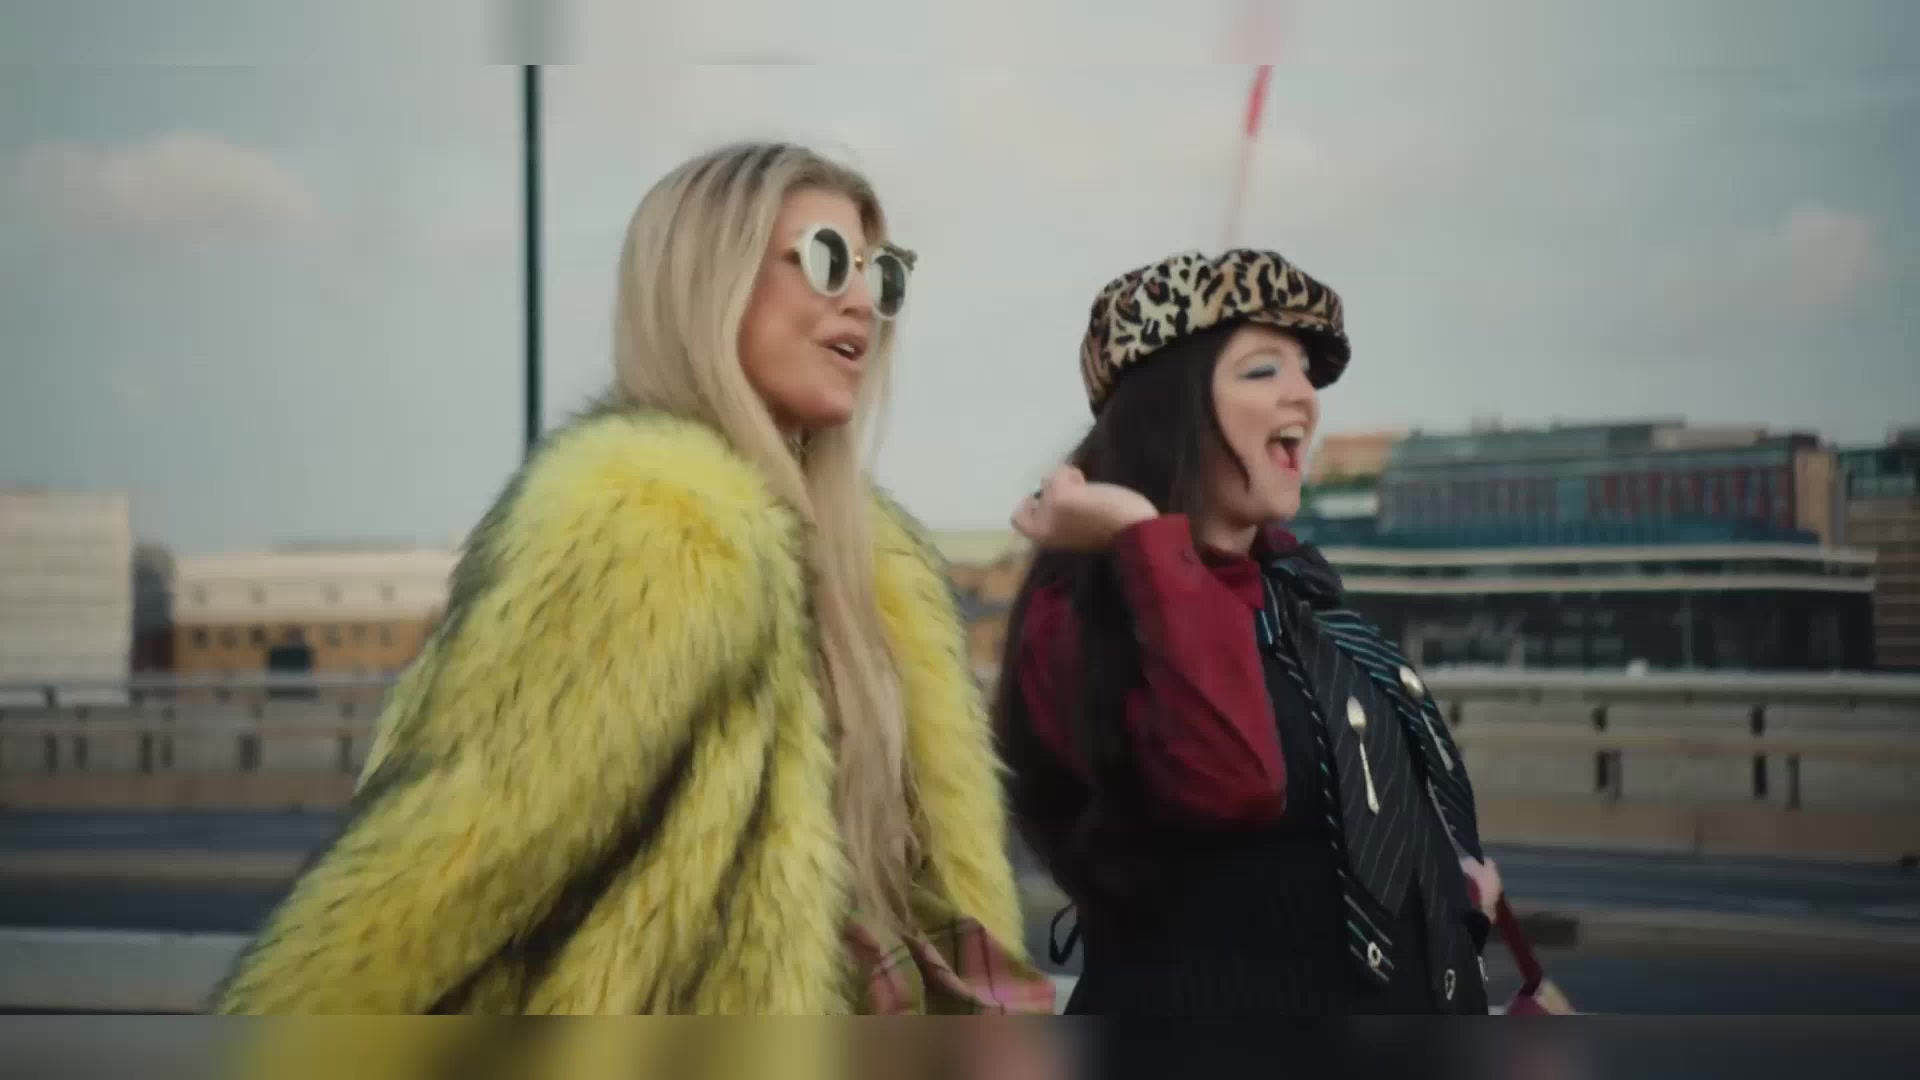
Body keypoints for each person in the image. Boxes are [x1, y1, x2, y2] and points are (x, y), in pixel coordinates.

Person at [213, 141, 1050, 1016]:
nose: (863, 301)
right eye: (827, 259)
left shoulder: (866, 570)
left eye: (883, 274)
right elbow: (456, 861)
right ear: (708, 281)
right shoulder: (656, 532)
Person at [993, 248, 1503, 1016]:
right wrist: (1140, 533)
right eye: (1263, 370)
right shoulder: (1079, 613)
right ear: (1171, 410)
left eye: (1305, 370)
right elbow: (1231, 778)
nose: (1305, 395)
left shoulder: (1298, 598)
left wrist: (1441, 901)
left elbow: (1332, 831)